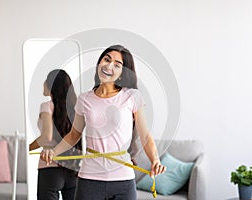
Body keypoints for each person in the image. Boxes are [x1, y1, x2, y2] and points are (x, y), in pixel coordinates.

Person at [41, 45, 166, 200]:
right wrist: (54, 151)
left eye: (117, 65)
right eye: (106, 59)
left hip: (123, 182)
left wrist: (155, 160)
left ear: (122, 73)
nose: (108, 65)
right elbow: (74, 135)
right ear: (99, 63)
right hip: (89, 180)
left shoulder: (132, 97)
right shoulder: (84, 99)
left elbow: (145, 136)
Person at [29, 69, 81, 200]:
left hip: (49, 168)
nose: (43, 83)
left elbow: (46, 137)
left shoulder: (47, 106)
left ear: (51, 84)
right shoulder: (75, 107)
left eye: (46, 80)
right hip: (73, 168)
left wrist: (28, 147)